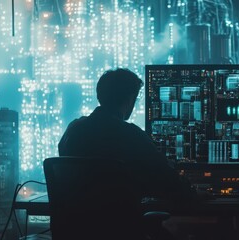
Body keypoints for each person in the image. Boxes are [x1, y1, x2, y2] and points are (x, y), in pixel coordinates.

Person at [58, 68, 196, 239]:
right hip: (120, 232)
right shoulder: (131, 135)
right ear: (130, 99)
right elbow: (169, 183)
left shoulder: (73, 130)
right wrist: (192, 192)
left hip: (76, 232)